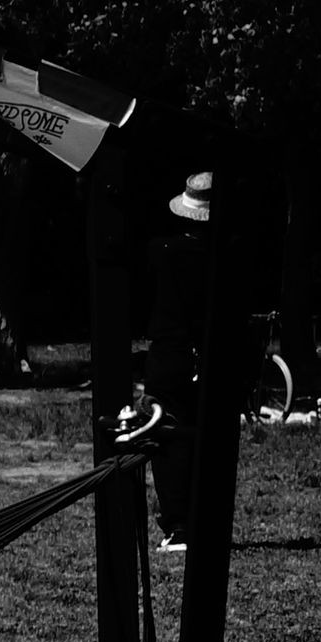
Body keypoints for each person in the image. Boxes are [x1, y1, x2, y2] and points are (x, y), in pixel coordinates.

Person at [143, 172, 214, 550]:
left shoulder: (161, 252)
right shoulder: (222, 260)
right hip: (209, 356)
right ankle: (204, 518)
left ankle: (178, 524)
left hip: (169, 355)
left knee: (167, 436)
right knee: (206, 439)